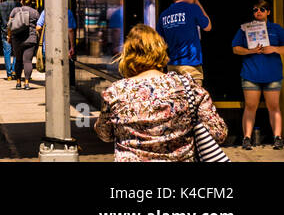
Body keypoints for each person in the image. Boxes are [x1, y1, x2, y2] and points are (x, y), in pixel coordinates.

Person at [95, 24, 227, 161]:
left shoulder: (115, 92)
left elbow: (104, 134)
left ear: (127, 56)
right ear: (161, 51)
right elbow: (219, 133)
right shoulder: (187, 87)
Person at [231, 0, 284, 150]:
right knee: (250, 106)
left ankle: (278, 138)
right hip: (251, 73)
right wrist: (251, 51)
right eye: (255, 10)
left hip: (272, 74)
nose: (258, 12)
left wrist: (274, 49)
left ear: (268, 12)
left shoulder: (276, 29)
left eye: (262, 9)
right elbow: (235, 49)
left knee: (274, 107)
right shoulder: (244, 29)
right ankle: (246, 138)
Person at [156, 0, 212, 85]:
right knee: (194, 98)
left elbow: (159, 40)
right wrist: (198, 4)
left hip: (172, 65)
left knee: (177, 99)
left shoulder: (164, 15)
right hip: (191, 65)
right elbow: (208, 27)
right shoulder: (192, 8)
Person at [7, 0, 39, 89]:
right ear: (31, 1)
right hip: (30, 39)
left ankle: (18, 82)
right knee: (28, 61)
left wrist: (9, 37)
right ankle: (26, 83)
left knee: (18, 60)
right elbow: (38, 26)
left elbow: (10, 25)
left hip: (17, 39)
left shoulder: (15, 11)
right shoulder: (35, 12)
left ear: (21, 1)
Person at [0, 0, 17, 80]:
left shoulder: (1, 6)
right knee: (16, 52)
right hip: (16, 31)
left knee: (7, 53)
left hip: (5, 31)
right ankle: (14, 69)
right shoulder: (18, 5)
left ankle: (9, 74)